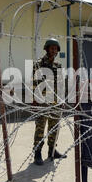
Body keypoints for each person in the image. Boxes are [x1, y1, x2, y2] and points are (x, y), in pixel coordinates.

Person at [32, 38, 67, 166]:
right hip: (42, 101)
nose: (54, 50)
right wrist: (34, 100)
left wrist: (62, 99)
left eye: (55, 48)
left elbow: (62, 84)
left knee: (54, 127)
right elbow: (34, 83)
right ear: (47, 49)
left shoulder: (58, 66)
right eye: (51, 48)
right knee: (40, 128)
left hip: (56, 102)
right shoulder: (38, 64)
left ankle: (52, 151)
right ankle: (37, 153)